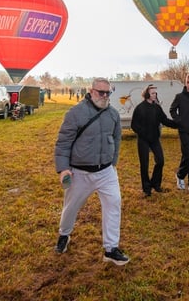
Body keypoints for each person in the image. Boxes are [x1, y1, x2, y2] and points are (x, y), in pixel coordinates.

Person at [54, 77, 129, 265]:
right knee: (70, 208)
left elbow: (117, 138)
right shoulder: (75, 113)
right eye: (100, 92)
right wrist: (63, 169)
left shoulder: (113, 114)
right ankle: (64, 234)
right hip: (80, 173)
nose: (104, 96)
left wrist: (113, 162)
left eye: (107, 93)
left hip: (106, 171)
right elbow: (63, 143)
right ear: (91, 91)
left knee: (114, 204)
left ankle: (111, 249)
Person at [131, 84, 178, 197]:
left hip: (154, 139)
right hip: (143, 140)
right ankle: (146, 189)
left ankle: (156, 184)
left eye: (155, 93)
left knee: (160, 161)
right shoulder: (140, 108)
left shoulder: (157, 108)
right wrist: (143, 134)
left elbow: (165, 120)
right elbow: (134, 125)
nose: (155, 95)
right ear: (147, 94)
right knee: (144, 164)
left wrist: (178, 124)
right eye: (153, 93)